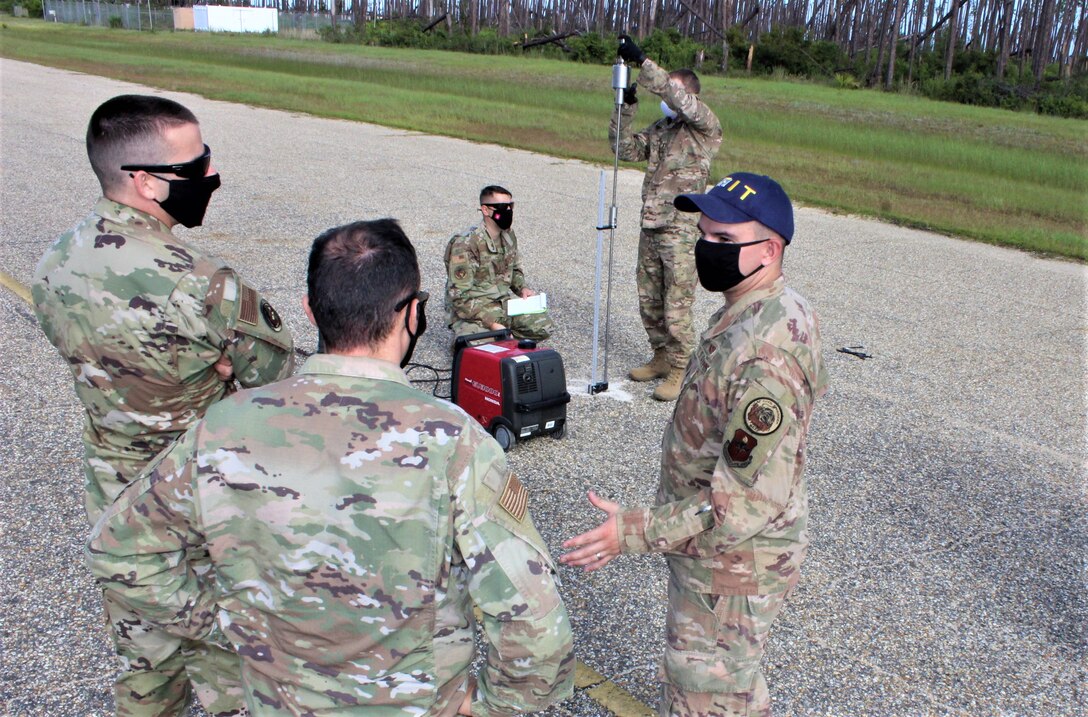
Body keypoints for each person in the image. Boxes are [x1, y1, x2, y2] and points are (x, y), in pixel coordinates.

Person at [88, 219, 576, 715]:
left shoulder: (223, 428)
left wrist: (228, 630)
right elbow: (534, 620)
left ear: (309, 310)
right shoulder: (453, 440)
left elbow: (121, 549)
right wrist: (494, 704)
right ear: (413, 314)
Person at [32, 94, 294, 716]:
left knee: (146, 664)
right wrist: (222, 375)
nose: (209, 175)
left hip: (116, 490)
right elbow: (276, 382)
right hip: (203, 502)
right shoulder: (201, 283)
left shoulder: (56, 262)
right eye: (197, 164)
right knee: (240, 668)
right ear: (147, 182)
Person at [560, 174, 828, 716]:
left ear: (770, 249)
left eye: (725, 242)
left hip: (732, 562)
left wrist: (633, 531)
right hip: (713, 552)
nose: (707, 250)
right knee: (728, 689)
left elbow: (742, 506)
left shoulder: (765, 351)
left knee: (706, 694)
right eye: (704, 235)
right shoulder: (753, 311)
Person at [612, 34, 723, 401]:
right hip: (652, 223)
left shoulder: (704, 126)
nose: (665, 97)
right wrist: (624, 108)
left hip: (680, 228)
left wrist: (643, 61)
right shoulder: (663, 129)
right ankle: (660, 356)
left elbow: (674, 97)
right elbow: (624, 148)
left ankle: (680, 368)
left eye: (672, 90)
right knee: (650, 299)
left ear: (688, 94)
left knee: (677, 305)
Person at [444, 185, 554, 343]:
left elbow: (514, 269)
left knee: (544, 327)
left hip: (502, 304)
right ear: (486, 210)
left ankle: (503, 338)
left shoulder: (508, 235)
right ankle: (485, 336)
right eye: (503, 207)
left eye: (511, 206)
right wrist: (492, 323)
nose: (508, 211)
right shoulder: (466, 244)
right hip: (473, 310)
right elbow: (459, 297)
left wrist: (522, 288)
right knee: (474, 345)